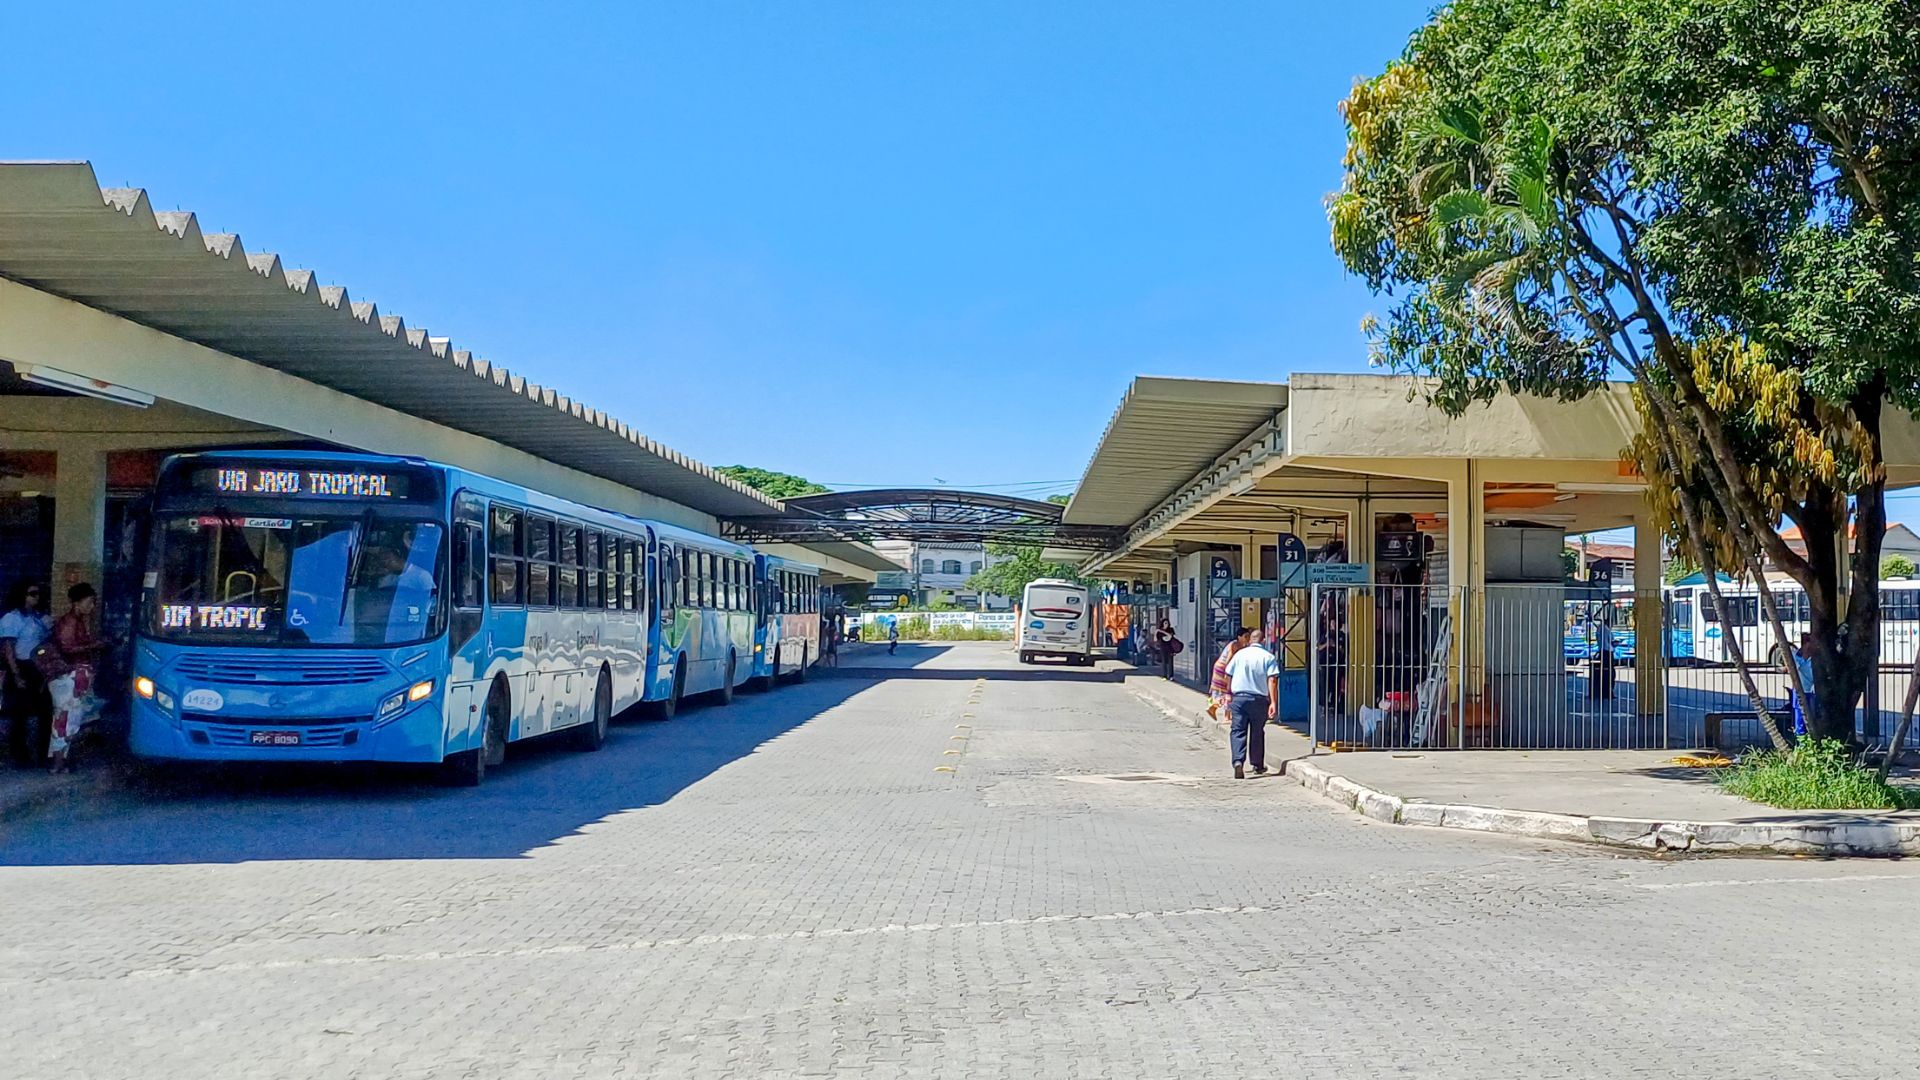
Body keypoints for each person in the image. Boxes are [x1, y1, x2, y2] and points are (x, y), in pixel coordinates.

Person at [39, 584, 108, 774]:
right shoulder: (69, 622)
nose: (92, 606)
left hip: (72, 676)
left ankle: (61, 761)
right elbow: (67, 647)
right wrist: (95, 645)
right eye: (89, 602)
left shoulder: (77, 621)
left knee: (69, 719)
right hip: (67, 676)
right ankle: (58, 763)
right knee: (64, 719)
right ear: (77, 602)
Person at [0, 581, 53, 766]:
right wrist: (16, 675)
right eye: (32, 594)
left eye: (38, 593)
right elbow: (8, 649)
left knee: (46, 711)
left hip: (38, 667)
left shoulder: (38, 617)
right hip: (21, 666)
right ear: (22, 595)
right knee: (19, 714)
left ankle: (44, 753)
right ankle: (20, 756)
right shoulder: (12, 618)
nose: (36, 597)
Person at [1222, 625, 1279, 779]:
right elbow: (1272, 680)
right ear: (1263, 640)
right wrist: (1273, 702)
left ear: (1250, 640)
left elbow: (1228, 674)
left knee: (1237, 730)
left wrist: (1228, 693)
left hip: (1239, 699)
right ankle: (1257, 764)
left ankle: (1238, 761)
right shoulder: (1268, 657)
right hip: (1258, 700)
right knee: (1257, 732)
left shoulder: (1239, 655)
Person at [1206, 632, 1244, 721]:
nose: (1247, 638)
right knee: (1227, 691)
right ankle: (1226, 716)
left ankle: (1214, 707)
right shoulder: (1235, 645)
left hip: (1222, 668)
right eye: (1245, 636)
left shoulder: (1239, 645)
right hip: (1223, 669)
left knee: (1223, 691)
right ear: (1239, 636)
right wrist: (1227, 673)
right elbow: (1229, 659)